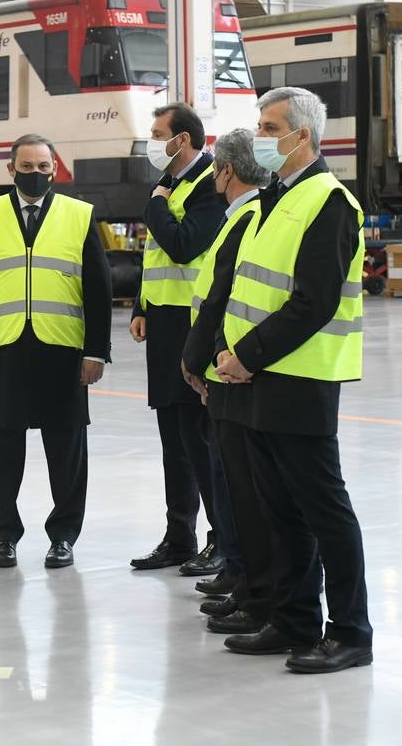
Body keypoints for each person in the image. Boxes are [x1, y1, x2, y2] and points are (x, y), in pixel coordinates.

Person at [211, 87, 373, 674]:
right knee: (281, 511)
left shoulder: (329, 203)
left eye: (270, 126)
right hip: (257, 377)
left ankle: (351, 631)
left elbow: (313, 302)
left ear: (302, 136)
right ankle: (295, 619)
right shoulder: (278, 199)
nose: (261, 136)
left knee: (324, 511)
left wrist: (246, 354)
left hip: (299, 379)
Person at [0, 133, 112, 570]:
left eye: (44, 167)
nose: (36, 174)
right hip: (5, 349)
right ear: (11, 170)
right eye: (27, 167)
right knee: (5, 451)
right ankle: (4, 536)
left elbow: (98, 291)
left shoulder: (80, 215)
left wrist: (96, 352)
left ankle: (63, 536)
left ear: (55, 169)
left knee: (67, 453)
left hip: (63, 351)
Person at [181, 129, 276, 636]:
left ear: (225, 172)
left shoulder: (246, 218)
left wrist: (197, 360)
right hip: (226, 364)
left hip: (232, 367)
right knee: (231, 479)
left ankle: (246, 577)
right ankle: (242, 576)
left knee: (239, 483)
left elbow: (221, 295)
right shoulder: (243, 217)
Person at [129, 103, 228, 576]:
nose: (152, 141)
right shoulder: (171, 184)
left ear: (183, 139)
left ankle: (222, 538)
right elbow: (157, 258)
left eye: (157, 133)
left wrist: (153, 207)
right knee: (174, 438)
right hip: (163, 324)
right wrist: (140, 307)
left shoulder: (209, 184)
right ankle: (179, 536)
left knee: (200, 438)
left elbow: (186, 244)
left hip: (194, 325)